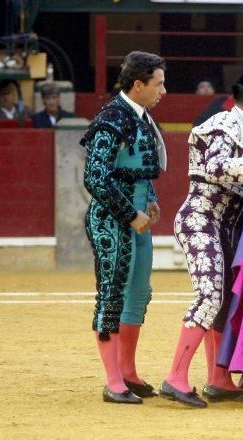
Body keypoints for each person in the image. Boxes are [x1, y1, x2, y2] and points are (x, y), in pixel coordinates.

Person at [160, 71, 243, 408]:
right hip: (200, 220)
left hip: (223, 224)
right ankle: (175, 377)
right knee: (210, 296)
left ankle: (217, 378)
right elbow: (211, 167)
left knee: (226, 300)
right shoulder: (223, 125)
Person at [81, 51, 167, 404]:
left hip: (138, 219)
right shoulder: (111, 119)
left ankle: (128, 371)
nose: (164, 90)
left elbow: (140, 167)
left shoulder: (141, 116)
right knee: (112, 297)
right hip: (112, 221)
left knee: (138, 295)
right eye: (159, 83)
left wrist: (151, 200)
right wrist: (130, 213)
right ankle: (113, 380)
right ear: (138, 84)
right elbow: (95, 178)